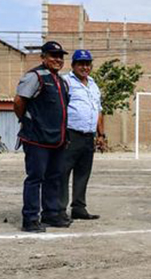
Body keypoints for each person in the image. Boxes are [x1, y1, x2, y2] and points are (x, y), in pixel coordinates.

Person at [13, 41, 71, 232]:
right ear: (43, 57)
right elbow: (19, 101)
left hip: (57, 140)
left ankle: (51, 215)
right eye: (53, 55)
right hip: (37, 139)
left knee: (54, 178)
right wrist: (28, 122)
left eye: (60, 56)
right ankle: (30, 219)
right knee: (35, 178)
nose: (57, 60)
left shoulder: (61, 81)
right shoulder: (35, 76)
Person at [59, 49, 104, 221]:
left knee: (83, 173)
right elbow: (60, 108)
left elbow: (98, 110)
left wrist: (101, 134)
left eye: (87, 64)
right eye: (81, 64)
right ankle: (60, 210)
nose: (85, 67)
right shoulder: (66, 82)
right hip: (70, 134)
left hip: (88, 136)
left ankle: (79, 208)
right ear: (73, 65)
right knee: (63, 173)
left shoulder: (93, 84)